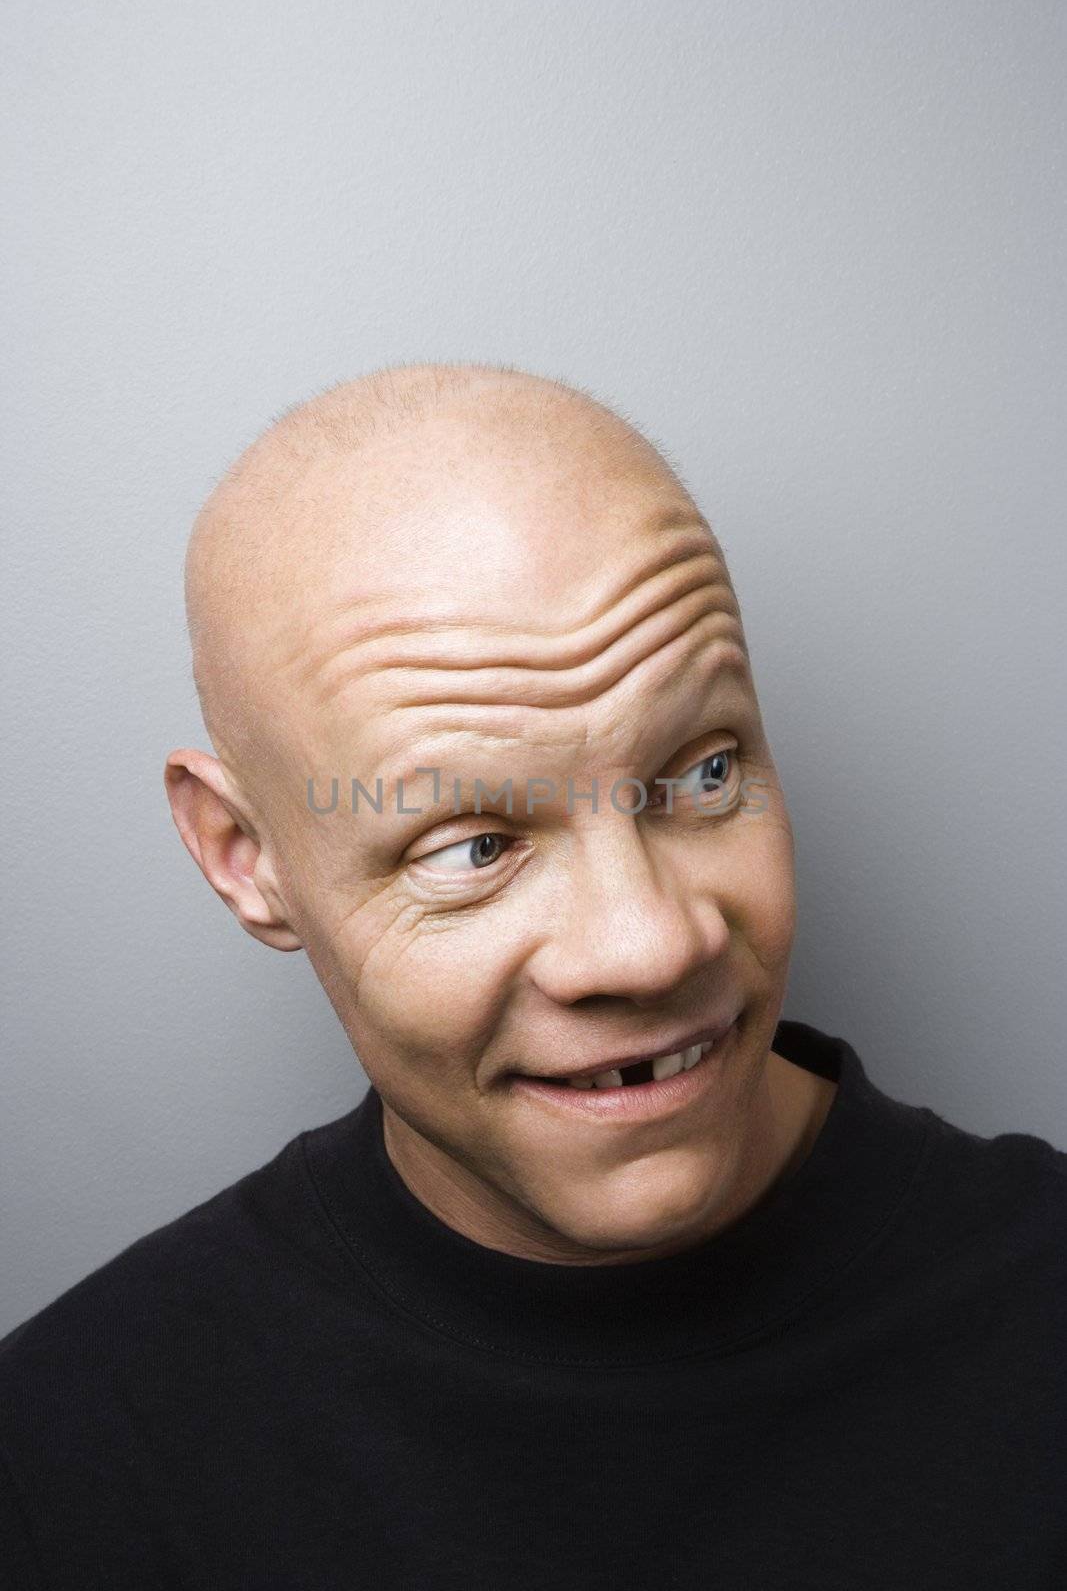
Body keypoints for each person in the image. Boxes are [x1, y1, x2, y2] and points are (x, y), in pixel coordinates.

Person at [1, 362, 1063, 1588]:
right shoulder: (67, 1460)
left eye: (701, 773)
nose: (651, 943)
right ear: (247, 860)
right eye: (474, 846)